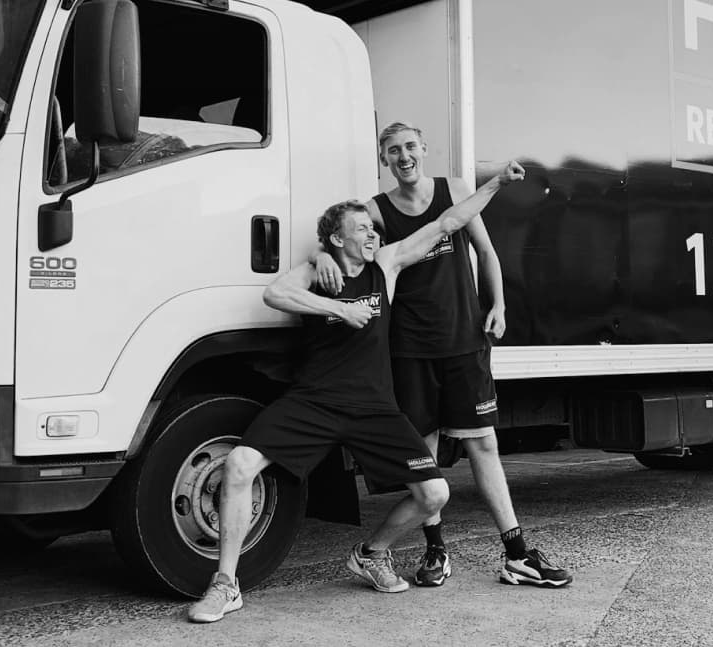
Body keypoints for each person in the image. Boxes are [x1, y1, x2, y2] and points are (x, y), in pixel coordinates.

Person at [188, 159, 526, 624]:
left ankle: (371, 553)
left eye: (373, 228)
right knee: (242, 463)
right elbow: (274, 294)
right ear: (335, 239)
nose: (373, 235)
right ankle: (225, 584)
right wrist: (336, 308)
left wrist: (495, 184)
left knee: (434, 494)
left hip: (373, 406)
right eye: (362, 229)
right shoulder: (314, 272)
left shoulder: (385, 266)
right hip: (315, 400)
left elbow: (448, 222)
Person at [315, 122, 573, 589]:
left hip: (463, 339)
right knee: (425, 455)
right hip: (410, 347)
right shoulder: (376, 209)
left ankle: (517, 553)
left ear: (424, 149)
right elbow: (339, 241)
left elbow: (487, 252)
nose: (404, 156)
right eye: (393, 150)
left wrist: (498, 304)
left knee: (484, 444)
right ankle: (436, 552)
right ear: (384, 159)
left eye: (411, 146)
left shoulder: (454, 190)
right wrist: (322, 259)